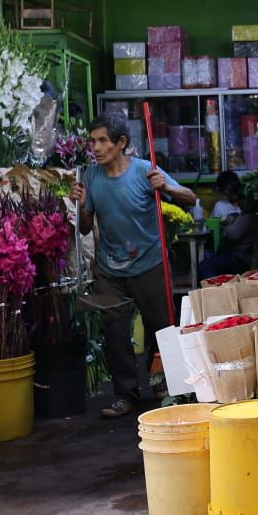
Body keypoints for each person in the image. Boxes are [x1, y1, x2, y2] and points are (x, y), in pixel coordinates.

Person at [70, 114, 198, 418]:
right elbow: (86, 228)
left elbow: (190, 198)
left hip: (149, 264)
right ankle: (126, 395)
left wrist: (166, 186)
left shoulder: (144, 171)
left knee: (162, 330)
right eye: (93, 141)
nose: (96, 148)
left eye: (103, 140)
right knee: (114, 332)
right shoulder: (90, 177)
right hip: (109, 269)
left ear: (121, 143)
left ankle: (163, 384)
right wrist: (81, 204)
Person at [198, 172, 256, 282]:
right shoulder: (221, 206)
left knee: (204, 266)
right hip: (235, 254)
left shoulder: (248, 215)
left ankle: (218, 288)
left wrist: (229, 223)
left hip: (240, 257)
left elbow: (233, 234)